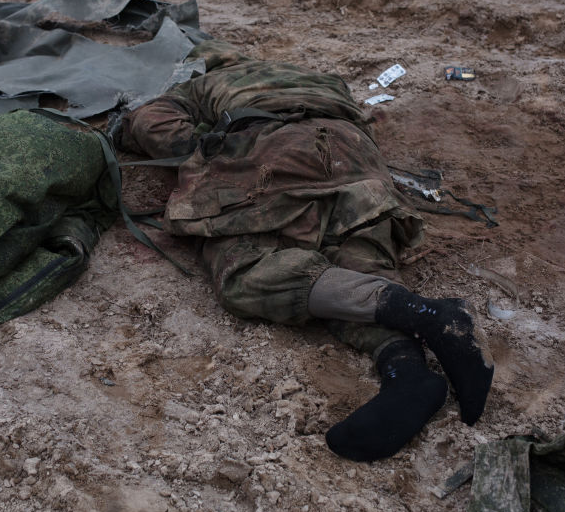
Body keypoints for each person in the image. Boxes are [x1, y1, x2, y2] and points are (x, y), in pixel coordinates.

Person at [118, 39, 493, 461]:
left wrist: (197, 143)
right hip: (358, 158)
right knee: (358, 254)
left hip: (277, 150)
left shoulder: (205, 84)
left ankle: (425, 313)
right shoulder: (322, 80)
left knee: (246, 271)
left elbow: (156, 127)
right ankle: (405, 372)